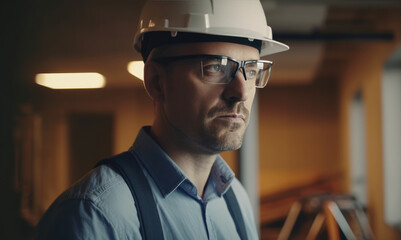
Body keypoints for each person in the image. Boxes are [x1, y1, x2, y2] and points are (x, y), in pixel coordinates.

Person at [35, 0, 288, 239]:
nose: (241, 92)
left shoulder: (236, 200)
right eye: (216, 67)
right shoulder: (96, 214)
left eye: (252, 70)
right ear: (156, 81)